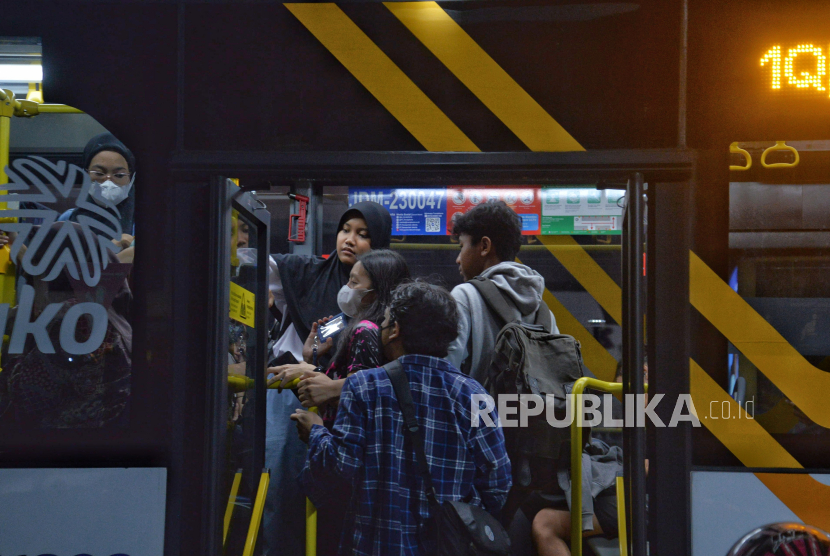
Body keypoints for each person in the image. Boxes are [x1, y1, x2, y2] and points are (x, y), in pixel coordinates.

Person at [291, 280, 512, 556]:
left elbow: (340, 470)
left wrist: (315, 432)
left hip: (378, 545)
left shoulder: (364, 387)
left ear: (395, 330)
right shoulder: (476, 396)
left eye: (384, 322)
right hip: (451, 546)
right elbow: (498, 484)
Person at [261, 201, 392, 556]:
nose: (349, 240)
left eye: (363, 235)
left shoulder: (377, 311)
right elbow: (250, 264)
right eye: (345, 230)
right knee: (282, 486)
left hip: (341, 410)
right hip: (291, 394)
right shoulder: (305, 272)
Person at [270, 249, 411, 416]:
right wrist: (311, 357)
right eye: (348, 280)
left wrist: (315, 429)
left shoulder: (364, 331)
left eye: (354, 283)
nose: (347, 288)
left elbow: (355, 401)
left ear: (376, 291)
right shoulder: (384, 331)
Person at [445, 200, 559, 384]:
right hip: (532, 412)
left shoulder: (465, 296)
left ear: (484, 246)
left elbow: (448, 370)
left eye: (461, 246)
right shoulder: (542, 309)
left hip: (479, 411)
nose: (458, 259)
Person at [62, 132, 137, 258]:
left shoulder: (147, 223)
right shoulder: (68, 220)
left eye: (119, 175)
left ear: (131, 178)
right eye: (99, 173)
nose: (108, 181)